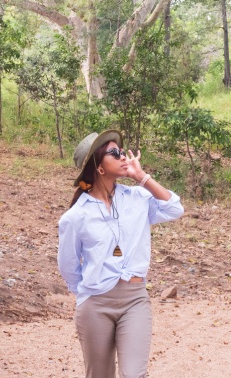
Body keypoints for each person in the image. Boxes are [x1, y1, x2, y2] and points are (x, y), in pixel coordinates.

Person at [56, 130, 184, 378]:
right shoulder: (75, 216)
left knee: (134, 374)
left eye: (122, 151)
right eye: (114, 153)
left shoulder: (137, 198)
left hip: (135, 299)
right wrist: (88, 292)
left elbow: (175, 208)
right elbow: (68, 265)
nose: (123, 156)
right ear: (99, 166)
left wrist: (142, 177)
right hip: (95, 304)